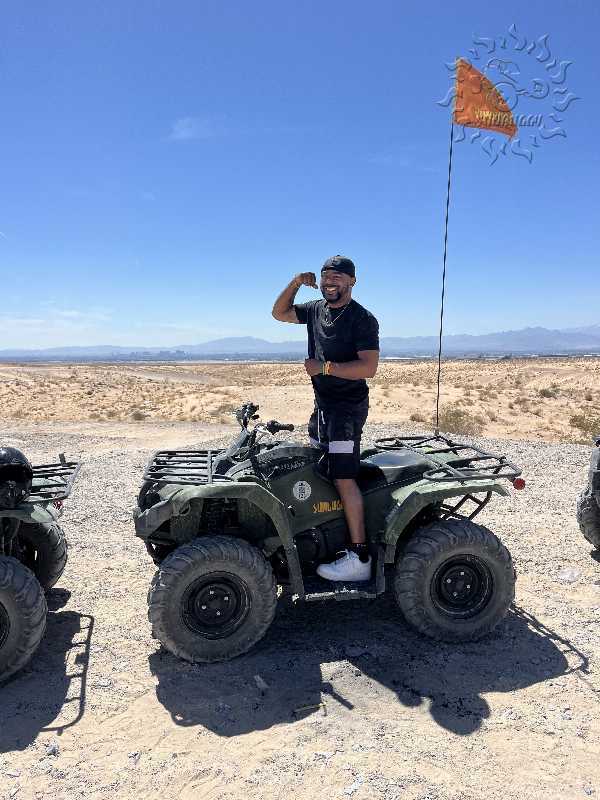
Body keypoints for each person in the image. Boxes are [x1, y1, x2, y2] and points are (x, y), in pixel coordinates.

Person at [271, 255, 380, 582]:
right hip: (322, 407)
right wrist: (295, 282)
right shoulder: (316, 309)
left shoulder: (363, 319)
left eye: (336, 278)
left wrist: (325, 368)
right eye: (324, 278)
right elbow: (279, 313)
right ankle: (326, 534)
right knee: (320, 467)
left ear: (352, 281)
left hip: (346, 411)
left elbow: (369, 368)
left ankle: (359, 556)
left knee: (343, 476)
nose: (329, 283)